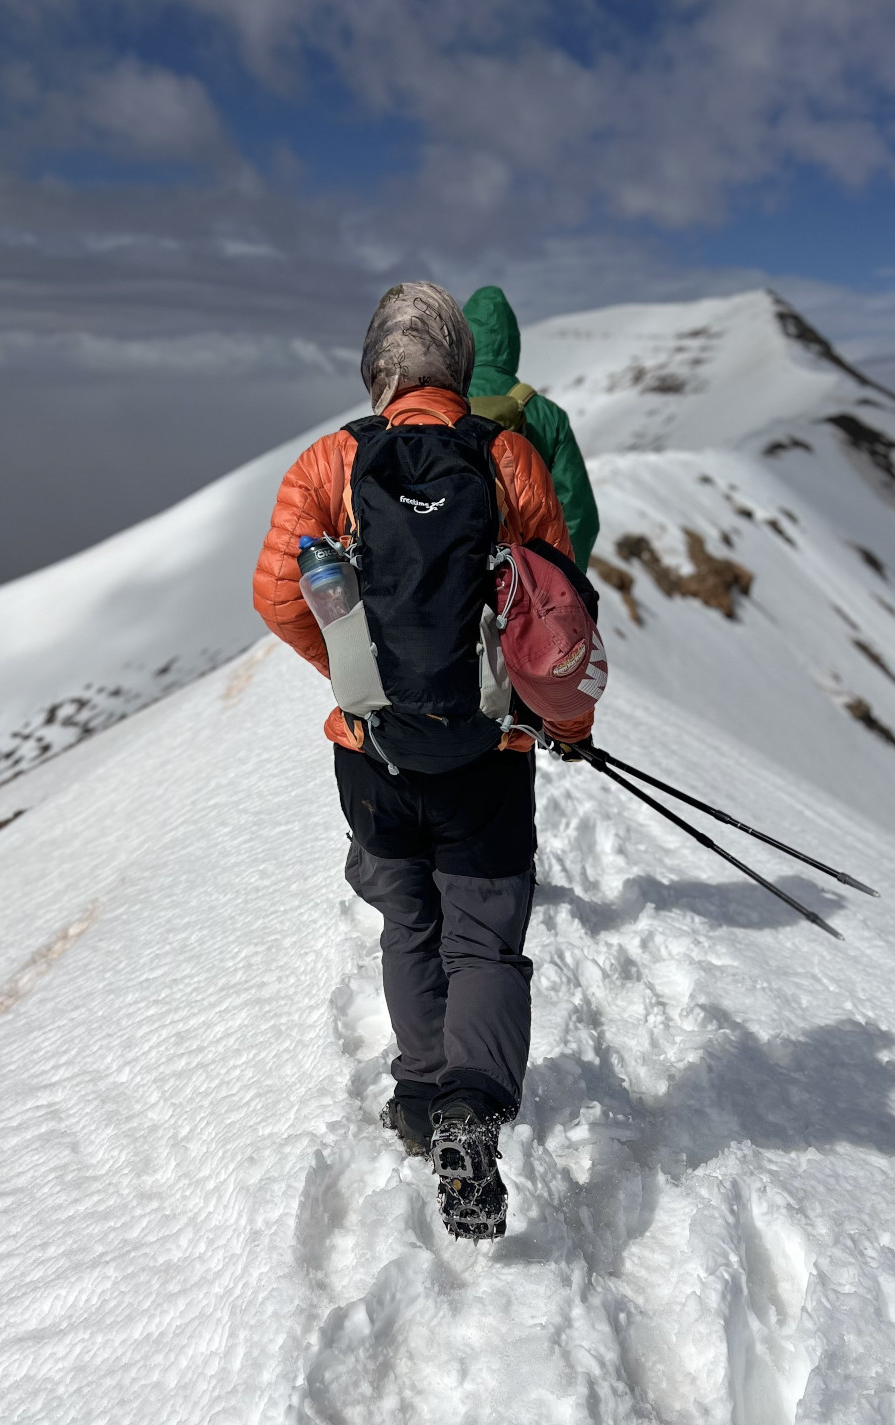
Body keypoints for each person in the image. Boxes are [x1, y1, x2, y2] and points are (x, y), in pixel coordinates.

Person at [252, 282, 601, 1240]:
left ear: (377, 368)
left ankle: (418, 1096)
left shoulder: (328, 463)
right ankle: (472, 1106)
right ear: (456, 366)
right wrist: (566, 721)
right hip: (486, 751)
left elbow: (276, 593)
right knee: (482, 937)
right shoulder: (510, 458)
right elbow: (557, 615)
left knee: (408, 921)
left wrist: (354, 677)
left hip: (371, 758)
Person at [463, 285, 600, 572]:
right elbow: (578, 513)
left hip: (454, 577)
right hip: (525, 581)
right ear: (512, 343)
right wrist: (566, 584)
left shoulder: (440, 403)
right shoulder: (546, 415)